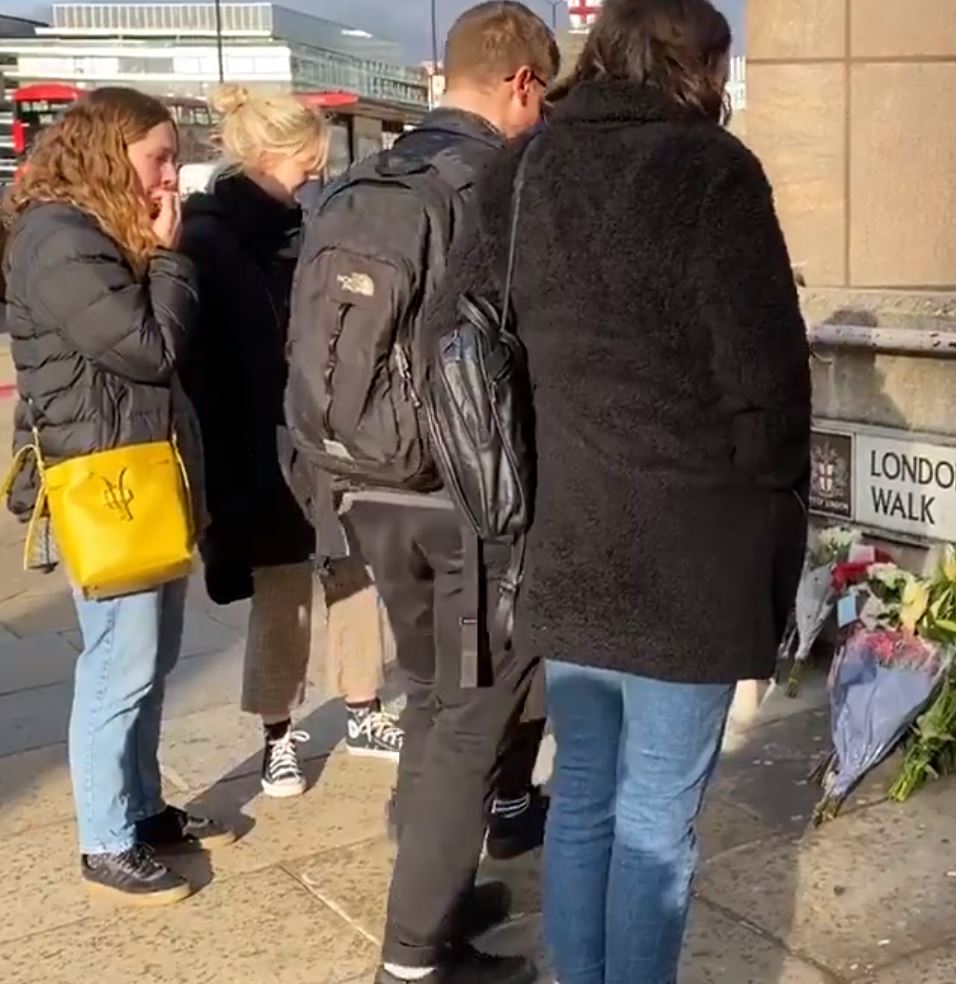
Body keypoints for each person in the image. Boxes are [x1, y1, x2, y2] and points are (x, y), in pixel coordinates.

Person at [437, 0, 811, 979]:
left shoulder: (524, 169)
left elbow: (467, 339)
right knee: (654, 814)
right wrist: (774, 513)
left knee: (589, 792)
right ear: (692, 67)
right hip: (688, 553)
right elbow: (765, 385)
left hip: (567, 536)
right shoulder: (710, 172)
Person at [287, 5, 557, 982]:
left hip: (360, 487)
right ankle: (414, 960)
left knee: (434, 700)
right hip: (459, 500)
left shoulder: (365, 178)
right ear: (522, 83)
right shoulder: (498, 183)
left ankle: (434, 896)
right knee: (468, 717)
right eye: (544, 97)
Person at [3, 87, 236, 906]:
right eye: (158, 159)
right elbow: (148, 348)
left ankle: (141, 809)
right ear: (109, 153)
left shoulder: (87, 232)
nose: (169, 177)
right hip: (108, 482)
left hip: (137, 472)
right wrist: (170, 258)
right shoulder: (61, 239)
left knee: (151, 658)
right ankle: (105, 841)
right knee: (119, 666)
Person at [177, 85, 404, 800]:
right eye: (308, 163)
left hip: (319, 426)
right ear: (270, 155)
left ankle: (362, 707)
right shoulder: (211, 236)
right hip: (259, 438)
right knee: (283, 587)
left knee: (352, 569)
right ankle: (277, 732)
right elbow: (209, 356)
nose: (315, 175)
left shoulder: (300, 225)